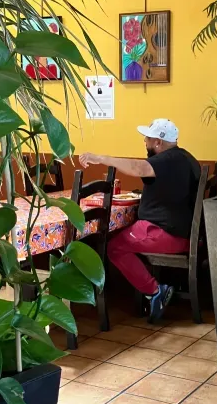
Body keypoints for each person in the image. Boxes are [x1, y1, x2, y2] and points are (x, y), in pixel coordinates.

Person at [79, 119, 201, 323]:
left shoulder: (166, 160)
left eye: (148, 138)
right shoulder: (187, 158)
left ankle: (155, 291)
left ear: (159, 142)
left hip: (166, 233)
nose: (145, 141)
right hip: (185, 233)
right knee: (123, 237)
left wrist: (99, 158)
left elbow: (138, 168)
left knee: (114, 247)